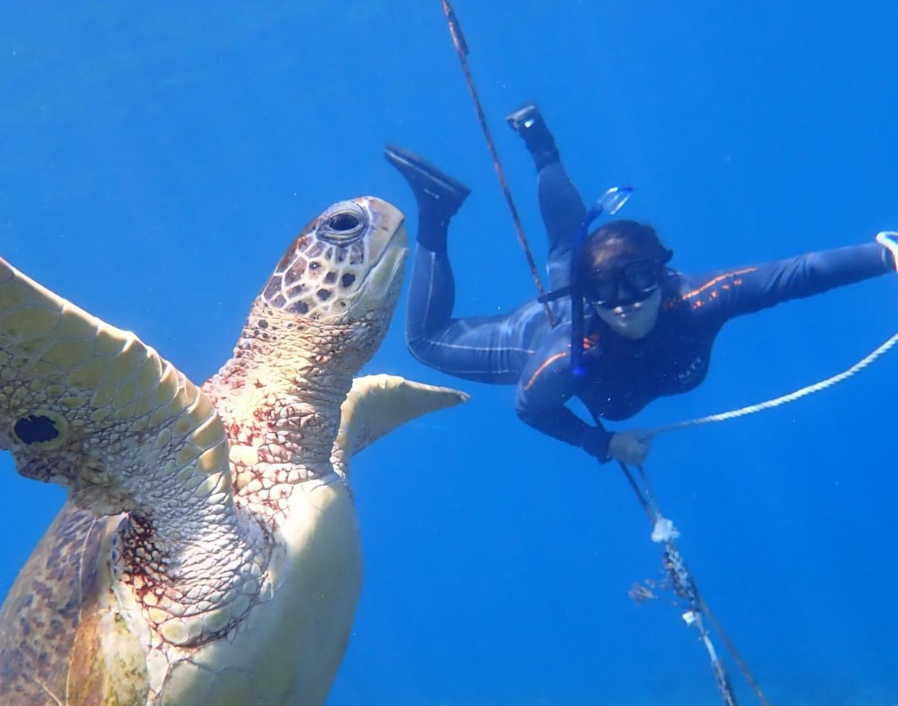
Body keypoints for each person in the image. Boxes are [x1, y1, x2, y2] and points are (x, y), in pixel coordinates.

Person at [384, 104, 897, 465]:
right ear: (589, 294)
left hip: (582, 302)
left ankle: (541, 146)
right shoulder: (566, 355)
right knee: (425, 342)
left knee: (568, 249)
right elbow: (530, 408)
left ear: (663, 273)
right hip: (537, 333)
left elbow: (796, 275)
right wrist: (601, 444)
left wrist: (887, 255)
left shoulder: (697, 300)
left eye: (639, 279)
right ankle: (436, 211)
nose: (624, 301)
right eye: (605, 289)